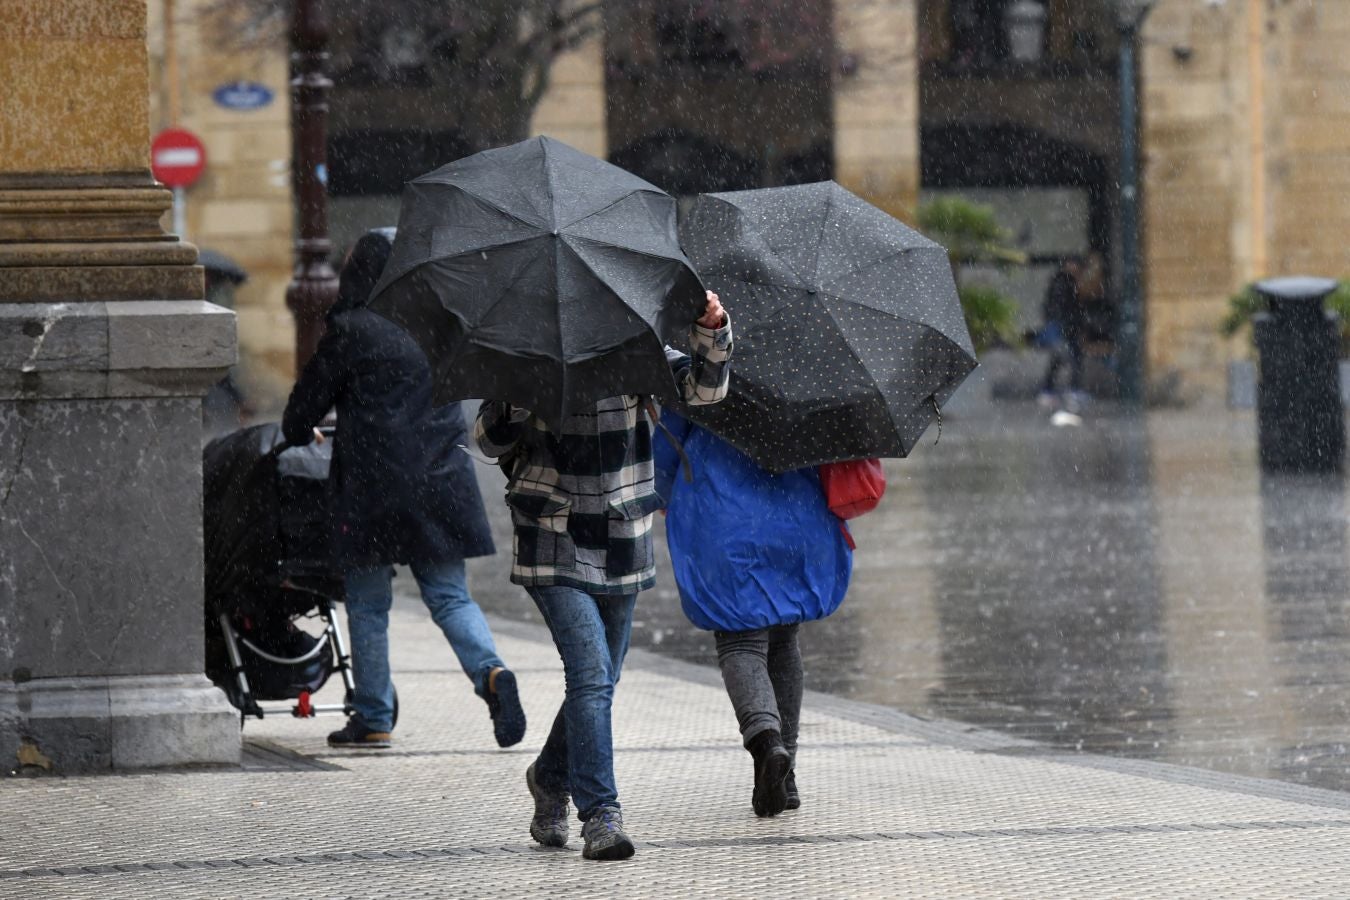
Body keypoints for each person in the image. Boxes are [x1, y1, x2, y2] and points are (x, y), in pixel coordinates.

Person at [474, 292, 732, 861]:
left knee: (602, 681)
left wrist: (712, 334)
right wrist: (527, 392)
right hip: (553, 533)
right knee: (591, 676)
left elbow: (705, 391)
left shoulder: (635, 342)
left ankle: (548, 775)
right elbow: (486, 438)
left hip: (622, 533)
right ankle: (601, 814)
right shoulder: (530, 348)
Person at [282, 228, 525, 751]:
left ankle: (372, 716)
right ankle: (491, 673)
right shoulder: (441, 326)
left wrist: (306, 430)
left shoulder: (352, 328)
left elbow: (300, 412)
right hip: (440, 481)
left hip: (372, 487)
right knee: (449, 596)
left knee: (368, 606)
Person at [652, 411, 852, 818]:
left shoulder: (707, 356)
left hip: (723, 511)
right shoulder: (810, 359)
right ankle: (787, 772)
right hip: (798, 510)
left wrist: (659, 492)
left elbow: (667, 446)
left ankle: (767, 743)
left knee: (740, 637)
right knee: (783, 637)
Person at [1039, 255, 1087, 412]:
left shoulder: (1064, 281)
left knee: (1061, 358)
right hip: (1062, 327)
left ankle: (1052, 391)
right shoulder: (1064, 282)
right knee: (1065, 357)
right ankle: (1063, 391)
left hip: (1064, 327)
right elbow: (1064, 307)